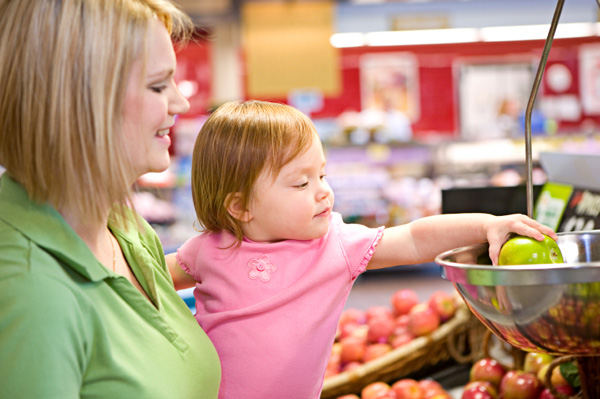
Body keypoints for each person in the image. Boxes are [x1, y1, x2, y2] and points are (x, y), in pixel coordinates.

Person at [167, 100, 556, 399]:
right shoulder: (209, 250)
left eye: (321, 174)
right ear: (240, 207)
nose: (323, 190)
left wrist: (486, 224)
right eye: (301, 184)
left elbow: (414, 238)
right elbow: (147, 275)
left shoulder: (334, 245)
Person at [0, 1, 220, 398]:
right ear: (77, 102)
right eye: (157, 86)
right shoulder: (28, 290)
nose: (181, 103)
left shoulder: (124, 227)